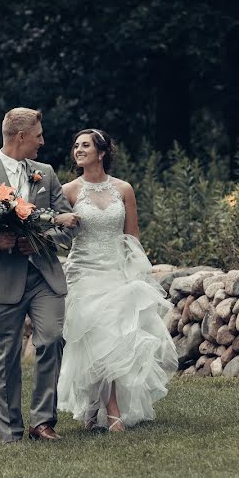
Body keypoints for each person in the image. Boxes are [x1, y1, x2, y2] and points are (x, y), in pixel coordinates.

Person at [0, 108, 78, 443]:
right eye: (38, 135)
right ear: (21, 136)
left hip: (44, 277)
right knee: (7, 355)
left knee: (52, 339)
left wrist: (41, 239)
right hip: (2, 279)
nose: (43, 141)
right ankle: (11, 431)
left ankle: (42, 422)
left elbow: (67, 224)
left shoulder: (46, 173)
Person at [56, 128, 178, 432]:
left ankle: (107, 410)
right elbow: (56, 232)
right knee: (94, 339)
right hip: (83, 272)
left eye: (85, 145)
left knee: (113, 339)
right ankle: (103, 409)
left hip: (115, 272)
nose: (78, 150)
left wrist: (137, 272)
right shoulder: (69, 190)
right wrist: (59, 220)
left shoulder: (124, 189)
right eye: (76, 146)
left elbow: (132, 236)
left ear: (102, 152)